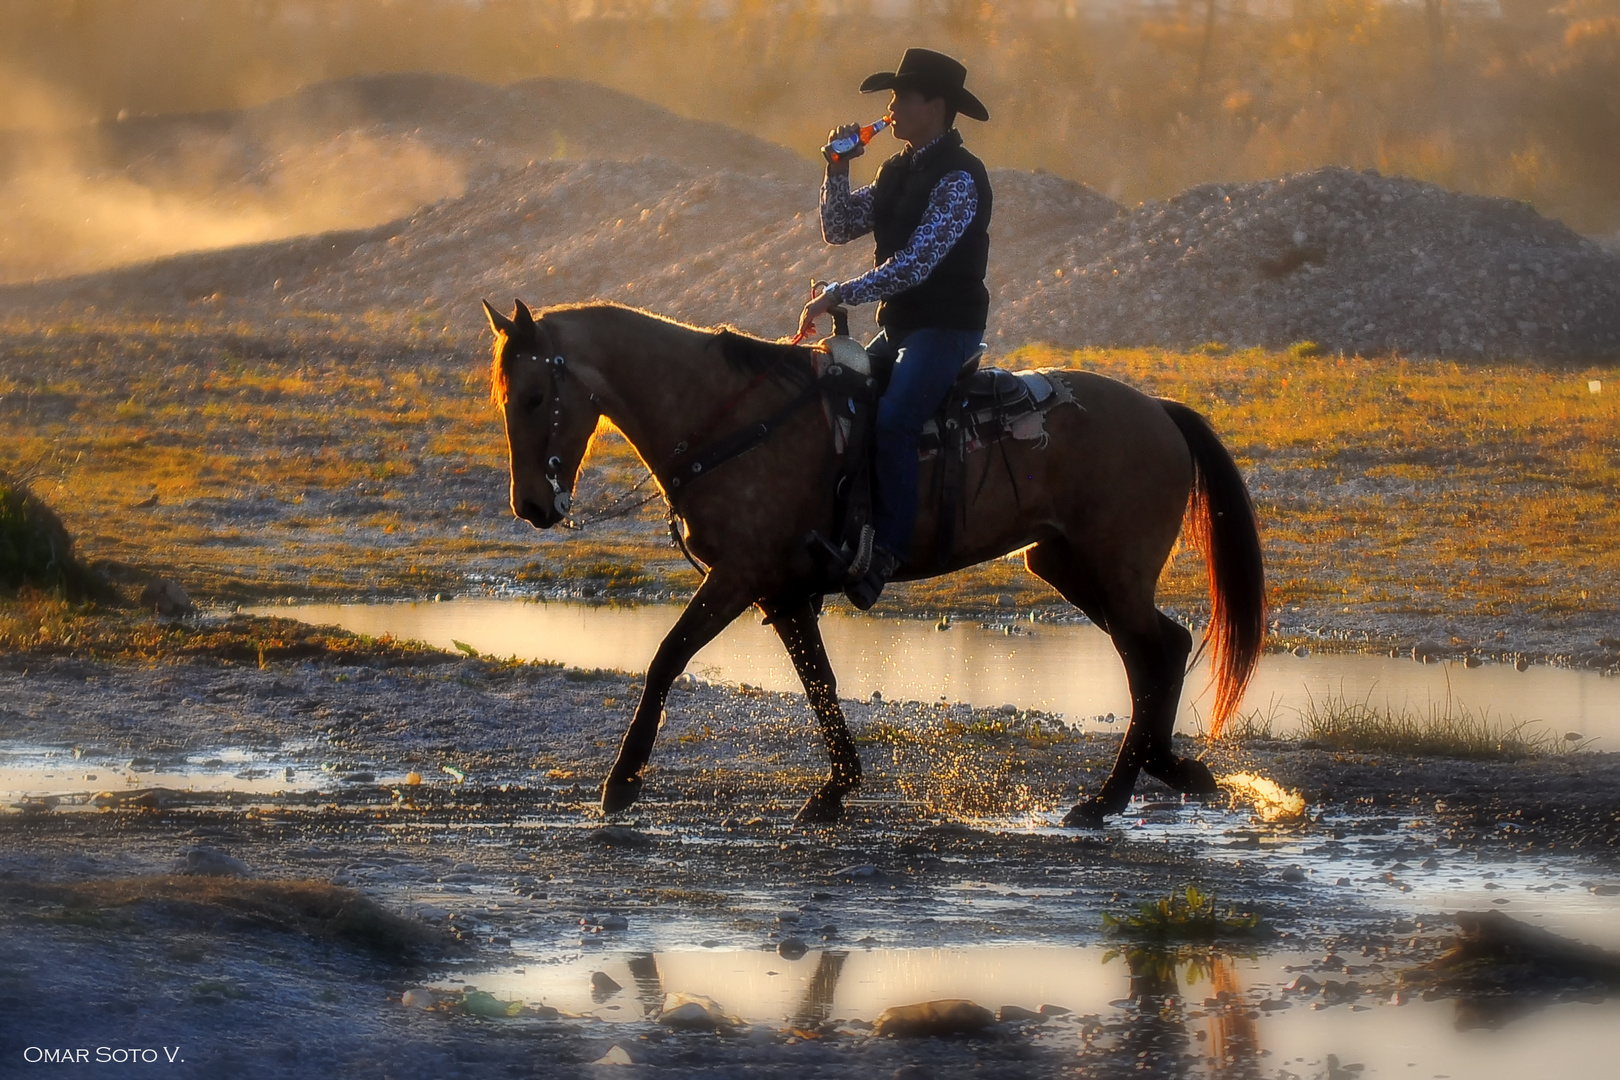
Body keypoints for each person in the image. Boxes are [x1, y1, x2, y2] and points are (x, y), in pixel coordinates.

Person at [799, 47, 993, 610]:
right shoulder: (896, 170)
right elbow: (838, 228)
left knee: (896, 416)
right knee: (838, 404)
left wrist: (841, 294)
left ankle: (888, 548)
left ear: (934, 106)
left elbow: (916, 265)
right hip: (903, 328)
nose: (891, 107)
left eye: (902, 96)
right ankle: (845, 530)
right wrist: (837, 168)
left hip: (945, 328)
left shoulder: (962, 178)